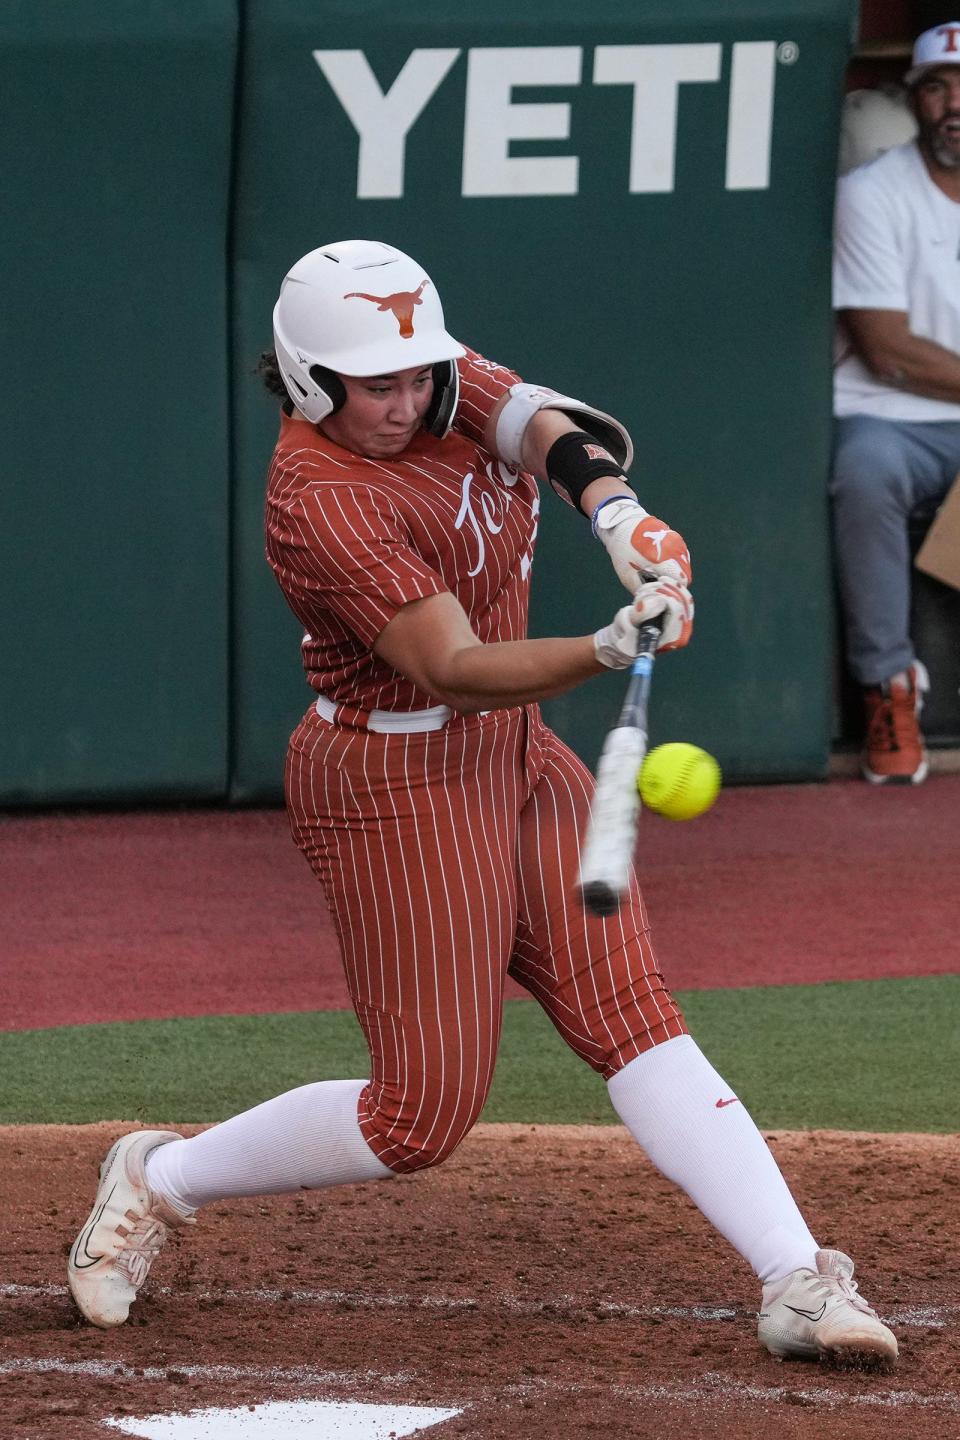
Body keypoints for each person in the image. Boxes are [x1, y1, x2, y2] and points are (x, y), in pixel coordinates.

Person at [68, 239, 897, 1368]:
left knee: (632, 1017)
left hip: (515, 754)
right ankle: (157, 1178)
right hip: (392, 783)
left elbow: (543, 422)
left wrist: (618, 517)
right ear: (311, 378)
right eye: (379, 385)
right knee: (419, 1117)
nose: (409, 398)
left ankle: (796, 1279)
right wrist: (610, 644)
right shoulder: (318, 498)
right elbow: (451, 666)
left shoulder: (428, 369)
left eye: (418, 374)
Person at [832, 21, 960, 783]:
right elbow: (890, 351)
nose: (954, 104)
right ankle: (888, 688)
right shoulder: (872, 192)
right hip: (891, 417)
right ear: (913, 100)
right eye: (939, 88)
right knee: (866, 471)